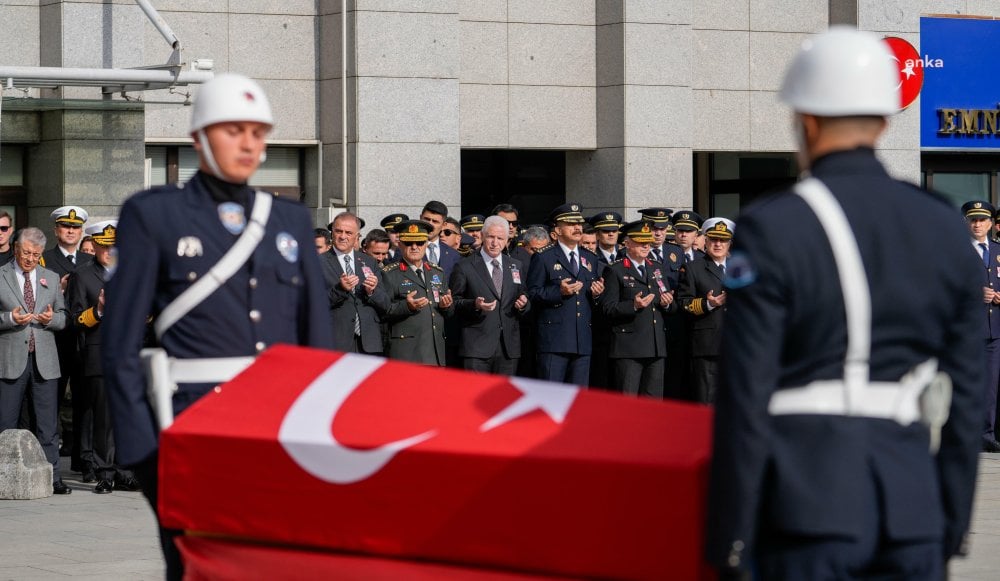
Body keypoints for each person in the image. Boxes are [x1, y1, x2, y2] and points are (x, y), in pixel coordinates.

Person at [706, 28, 983, 580]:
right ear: (883, 121)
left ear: (805, 121)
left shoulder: (774, 225)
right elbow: (967, 397)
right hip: (911, 508)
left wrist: (731, 535)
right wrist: (948, 519)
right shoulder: (942, 224)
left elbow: (746, 388)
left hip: (805, 507)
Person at [102, 73, 333, 581]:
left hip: (276, 431)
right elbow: (117, 350)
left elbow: (317, 347)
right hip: (192, 428)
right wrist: (146, 456)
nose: (248, 143)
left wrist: (320, 445)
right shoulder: (153, 213)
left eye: (257, 132)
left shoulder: (289, 219)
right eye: (233, 130)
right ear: (199, 137)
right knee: (197, 569)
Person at [66, 220, 139, 493]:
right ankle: (104, 472)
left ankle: (125, 471)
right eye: (104, 246)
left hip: (130, 354)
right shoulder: (82, 276)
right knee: (104, 419)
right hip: (100, 355)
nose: (110, 252)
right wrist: (98, 311)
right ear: (94, 246)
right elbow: (74, 320)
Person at [0, 227, 70, 495]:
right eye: (26, 253)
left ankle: (53, 478)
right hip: (10, 358)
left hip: (45, 360)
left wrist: (50, 319)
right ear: (16, 248)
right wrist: (9, 319)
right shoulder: (2, 275)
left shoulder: (50, 278)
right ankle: (4, 474)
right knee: (6, 420)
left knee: (48, 424)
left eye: (36, 254)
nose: (30, 258)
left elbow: (63, 318)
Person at [526, 203, 605, 384]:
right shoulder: (544, 257)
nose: (577, 227)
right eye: (570, 224)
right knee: (551, 399)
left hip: (582, 340)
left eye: (579, 223)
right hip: (555, 340)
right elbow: (532, 293)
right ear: (558, 229)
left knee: (577, 402)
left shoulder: (590, 257)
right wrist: (558, 291)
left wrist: (597, 294)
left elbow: (592, 298)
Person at [40, 206, 92, 474]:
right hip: (55, 341)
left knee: (85, 401)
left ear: (82, 231)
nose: (70, 231)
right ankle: (48, 461)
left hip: (84, 341)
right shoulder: (44, 260)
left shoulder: (90, 259)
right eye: (65, 226)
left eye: (75, 227)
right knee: (51, 400)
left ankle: (84, 459)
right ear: (56, 230)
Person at [600, 221, 675, 397]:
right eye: (641, 242)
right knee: (628, 403)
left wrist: (667, 303)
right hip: (629, 348)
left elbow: (668, 304)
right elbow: (608, 308)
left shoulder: (656, 267)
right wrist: (634, 305)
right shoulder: (615, 270)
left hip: (655, 345)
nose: (646, 246)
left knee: (653, 404)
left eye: (648, 242)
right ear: (627, 243)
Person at [450, 215, 530, 375]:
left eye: (500, 238)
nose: (495, 243)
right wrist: (474, 304)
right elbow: (454, 302)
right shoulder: (464, 266)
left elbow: (524, 295)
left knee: (504, 399)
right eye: (491, 237)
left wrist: (524, 304)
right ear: (482, 236)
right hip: (477, 347)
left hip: (508, 348)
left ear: (507, 239)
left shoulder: (515, 265)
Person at [381, 220, 454, 366]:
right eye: (409, 243)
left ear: (426, 244)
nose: (414, 247)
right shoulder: (389, 274)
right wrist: (407, 306)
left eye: (419, 243)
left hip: (434, 351)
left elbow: (447, 313)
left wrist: (447, 306)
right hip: (406, 353)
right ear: (400, 245)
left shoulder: (437, 272)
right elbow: (383, 311)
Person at [678, 217, 734, 404]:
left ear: (730, 243)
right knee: (707, 400)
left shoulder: (740, 267)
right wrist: (708, 303)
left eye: (723, 240)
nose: (718, 244)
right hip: (708, 345)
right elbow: (683, 303)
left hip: (736, 345)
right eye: (714, 239)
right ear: (706, 241)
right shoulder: (694, 268)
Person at [320, 212, 389, 355]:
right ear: (332, 233)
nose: (343, 236)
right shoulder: (318, 262)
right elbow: (313, 303)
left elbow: (386, 304)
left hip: (369, 343)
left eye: (348, 233)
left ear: (357, 237)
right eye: (338, 231)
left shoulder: (369, 261)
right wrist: (340, 289)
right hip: (336, 341)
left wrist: (372, 292)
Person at [965, 200, 1000, 452]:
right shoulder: (957, 250)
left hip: (994, 329)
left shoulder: (998, 250)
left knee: (990, 385)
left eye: (981, 220)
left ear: (990, 224)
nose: (977, 224)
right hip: (967, 330)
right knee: (966, 382)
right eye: (972, 220)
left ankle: (986, 435)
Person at [419, 201, 460, 279]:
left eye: (435, 221)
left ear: (443, 225)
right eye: (427, 219)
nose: (430, 224)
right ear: (420, 218)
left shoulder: (454, 255)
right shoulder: (406, 249)